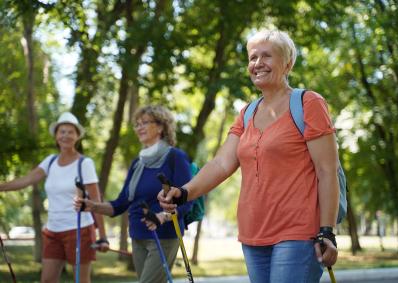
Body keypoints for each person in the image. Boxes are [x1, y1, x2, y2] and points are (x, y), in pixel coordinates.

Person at [158, 29, 340, 283]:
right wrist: (184, 192)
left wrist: (327, 232)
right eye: (252, 57)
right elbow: (221, 164)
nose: (257, 64)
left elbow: (326, 171)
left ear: (287, 63)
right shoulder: (247, 113)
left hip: (298, 231)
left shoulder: (308, 103)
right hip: (253, 232)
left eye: (267, 56)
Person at [74, 105, 193, 283]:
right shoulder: (138, 163)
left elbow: (188, 201)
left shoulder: (175, 157)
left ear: (161, 127)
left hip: (164, 235)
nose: (139, 128)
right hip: (138, 235)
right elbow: (121, 203)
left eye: (145, 123)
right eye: (137, 124)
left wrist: (162, 216)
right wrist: (93, 206)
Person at [0, 112, 109, 283]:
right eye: (62, 131)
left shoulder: (84, 163)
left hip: (79, 230)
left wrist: (103, 236)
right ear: (56, 135)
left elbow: (97, 202)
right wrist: (1, 187)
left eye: (70, 132)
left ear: (77, 136)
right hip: (52, 231)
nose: (65, 135)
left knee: (81, 281)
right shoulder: (50, 161)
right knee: (47, 281)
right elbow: (27, 180)